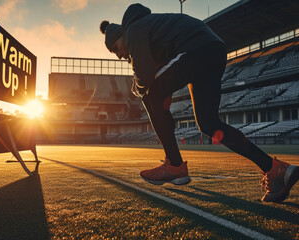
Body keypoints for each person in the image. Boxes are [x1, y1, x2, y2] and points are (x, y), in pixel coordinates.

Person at [99, 3, 299, 203]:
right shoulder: (147, 29)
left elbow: (145, 76)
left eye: (116, 49)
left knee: (149, 94)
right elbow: (160, 68)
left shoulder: (133, 29)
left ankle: (175, 165)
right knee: (208, 123)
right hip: (212, 50)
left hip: (196, 49)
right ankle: (275, 169)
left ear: (120, 35)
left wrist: (139, 89)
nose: (119, 56)